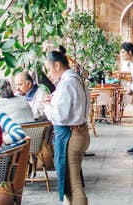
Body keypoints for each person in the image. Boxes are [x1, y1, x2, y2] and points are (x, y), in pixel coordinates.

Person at [43, 49, 91, 205]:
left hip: (71, 136)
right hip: (81, 132)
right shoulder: (77, 79)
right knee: (71, 183)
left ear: (57, 65)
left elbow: (60, 116)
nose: (49, 74)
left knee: (74, 185)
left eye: (49, 70)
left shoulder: (66, 83)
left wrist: (46, 106)